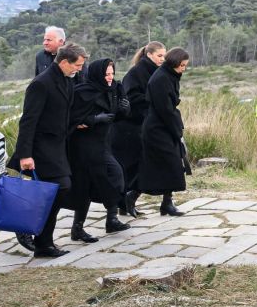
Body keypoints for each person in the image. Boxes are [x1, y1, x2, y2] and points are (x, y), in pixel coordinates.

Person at [13, 43, 87, 257]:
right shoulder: (41, 83)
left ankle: (42, 242)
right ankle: (38, 237)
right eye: (77, 65)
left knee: (56, 191)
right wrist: (25, 155)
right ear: (64, 62)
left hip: (58, 146)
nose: (79, 69)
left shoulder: (66, 80)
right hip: (41, 149)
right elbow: (28, 121)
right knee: (60, 187)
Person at [67, 57, 131, 242]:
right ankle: (78, 228)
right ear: (97, 74)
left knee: (115, 175)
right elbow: (71, 118)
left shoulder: (113, 90)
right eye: (106, 74)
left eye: (112, 73)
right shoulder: (82, 92)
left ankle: (111, 219)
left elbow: (114, 117)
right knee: (85, 186)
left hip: (102, 144)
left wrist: (124, 109)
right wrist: (93, 119)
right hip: (83, 147)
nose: (110, 77)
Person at [111, 42, 164, 217]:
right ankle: (124, 202)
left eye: (164, 56)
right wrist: (153, 101)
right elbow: (131, 99)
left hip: (141, 126)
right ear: (149, 54)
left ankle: (127, 202)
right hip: (129, 128)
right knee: (133, 167)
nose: (163, 59)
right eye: (159, 55)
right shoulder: (136, 73)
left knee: (139, 166)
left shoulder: (154, 72)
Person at [138, 48, 190, 217]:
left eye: (185, 65)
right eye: (182, 65)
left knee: (171, 165)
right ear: (174, 62)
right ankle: (132, 196)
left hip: (163, 125)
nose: (183, 69)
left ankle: (167, 203)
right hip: (157, 128)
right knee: (165, 165)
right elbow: (164, 109)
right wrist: (176, 130)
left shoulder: (169, 75)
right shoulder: (161, 78)